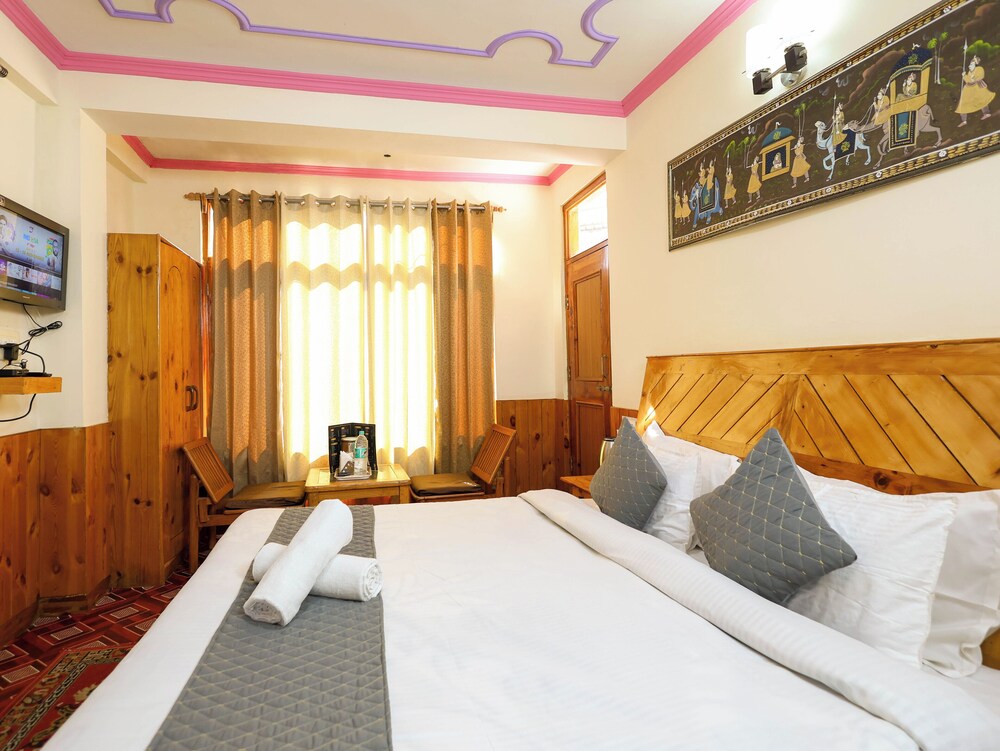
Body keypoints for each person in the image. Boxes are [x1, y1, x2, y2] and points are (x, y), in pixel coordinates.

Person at [956, 55, 995, 126]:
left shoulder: (979, 69)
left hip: (977, 87)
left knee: (982, 100)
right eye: (969, 65)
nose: (969, 66)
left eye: (971, 64)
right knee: (963, 103)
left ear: (975, 64)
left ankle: (986, 113)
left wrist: (973, 78)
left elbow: (980, 76)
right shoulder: (969, 72)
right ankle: (964, 120)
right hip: (968, 89)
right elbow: (968, 81)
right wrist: (964, 76)